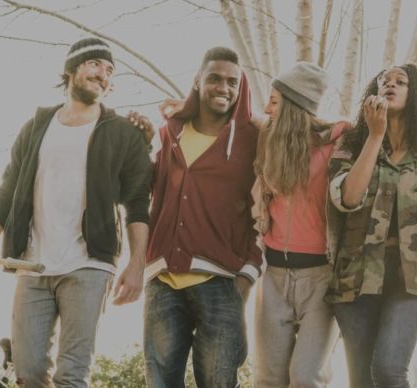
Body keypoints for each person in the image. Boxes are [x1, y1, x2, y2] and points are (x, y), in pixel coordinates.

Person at [0, 37, 153, 388]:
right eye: (95, 64)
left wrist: (137, 263)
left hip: (90, 266)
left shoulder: (124, 133)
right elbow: (5, 201)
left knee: (72, 375)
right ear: (71, 69)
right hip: (31, 265)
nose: (103, 75)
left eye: (110, 71)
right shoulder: (35, 129)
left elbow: (139, 203)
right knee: (28, 373)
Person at [326, 63, 417, 388]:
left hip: (411, 280)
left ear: (415, 93)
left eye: (400, 81)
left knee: (389, 371)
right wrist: (376, 136)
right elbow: (348, 197)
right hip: (355, 279)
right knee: (361, 381)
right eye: (383, 81)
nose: (390, 85)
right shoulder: (352, 143)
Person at [144, 46, 261, 388]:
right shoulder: (169, 134)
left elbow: (268, 209)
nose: (223, 87)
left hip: (221, 282)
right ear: (198, 82)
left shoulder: (253, 141)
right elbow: (146, 192)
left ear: (241, 90)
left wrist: (248, 274)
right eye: (214, 78)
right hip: (163, 281)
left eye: (231, 82)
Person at [247, 62, 351, 388]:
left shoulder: (339, 141)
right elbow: (235, 114)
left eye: (275, 101)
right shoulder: (269, 139)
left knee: (306, 378)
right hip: (274, 277)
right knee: (268, 379)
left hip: (321, 278)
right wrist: (182, 108)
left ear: (294, 106)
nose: (267, 108)